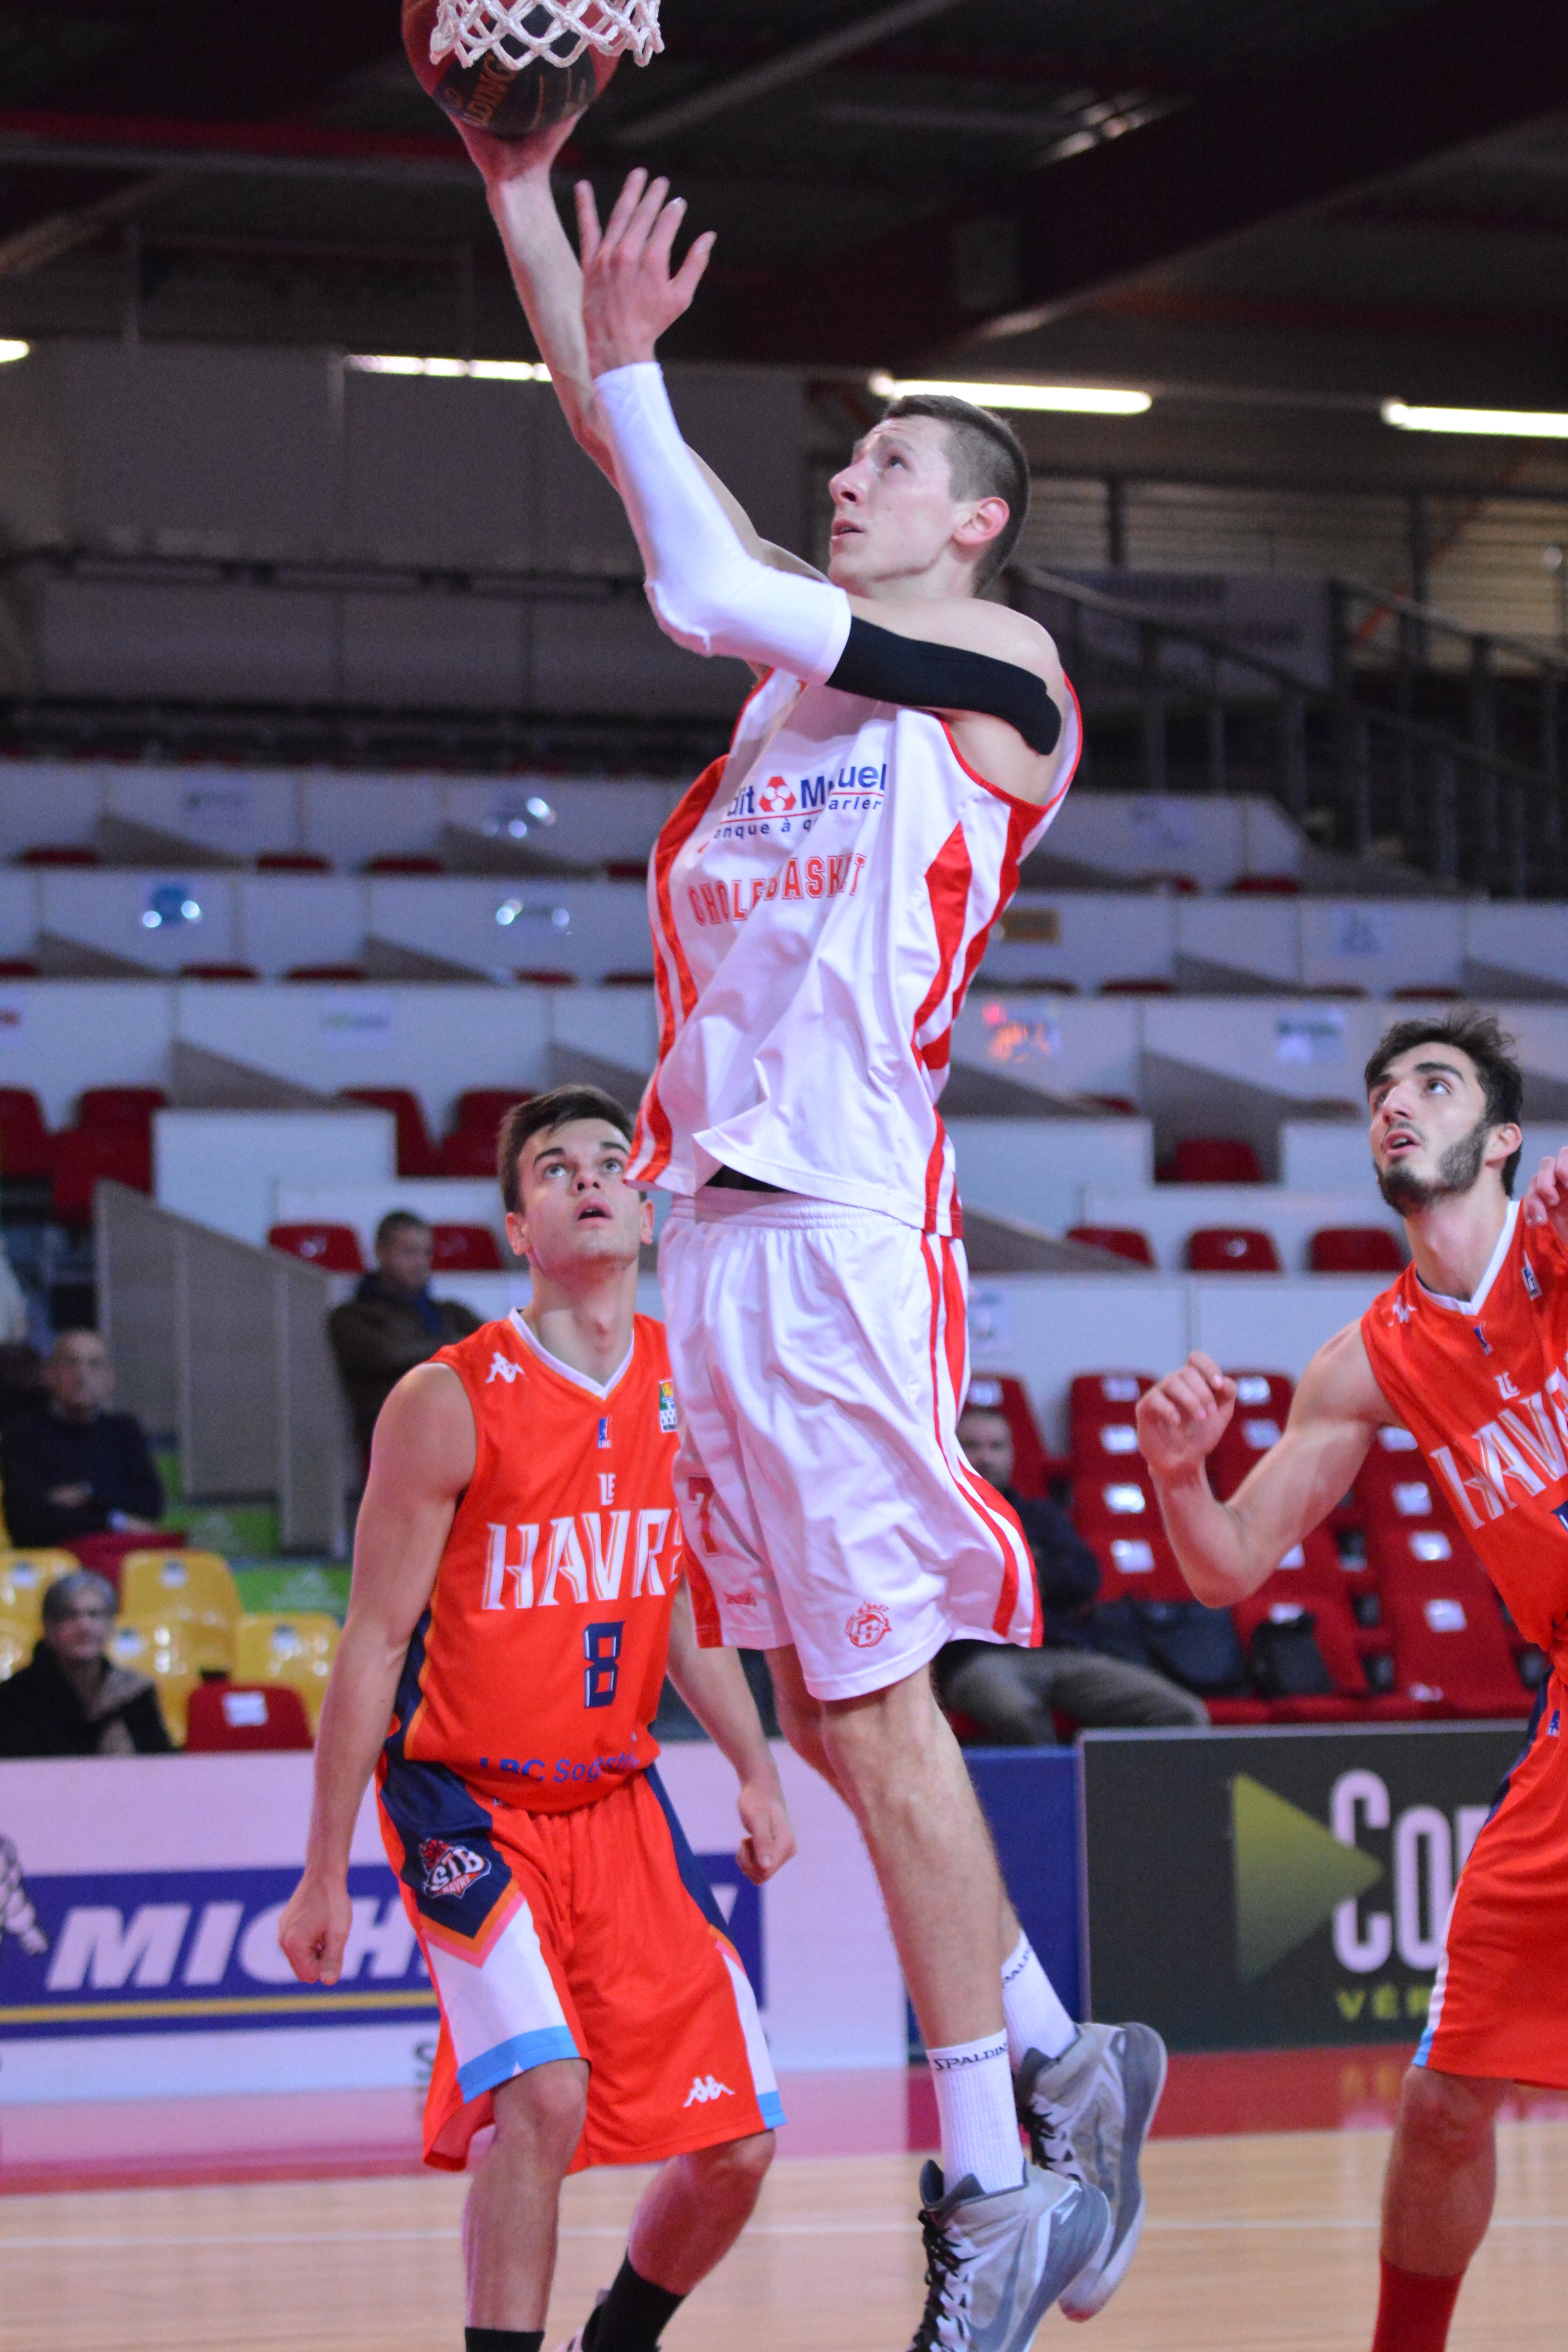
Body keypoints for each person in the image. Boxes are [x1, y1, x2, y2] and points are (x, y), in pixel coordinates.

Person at [453, 117, 1162, 2352]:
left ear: (976, 515)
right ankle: (1058, 2051)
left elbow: (711, 568)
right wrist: (509, 175)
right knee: (845, 1715)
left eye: (884, 458)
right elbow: (625, 457)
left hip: (850, 1220)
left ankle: (982, 2180)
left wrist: (656, 392)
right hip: (719, 1241)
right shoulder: (798, 681)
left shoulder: (1008, 677)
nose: (843, 474)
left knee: (870, 1691)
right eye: (838, 456)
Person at [280, 1084, 794, 2352]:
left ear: (647, 1202)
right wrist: (320, 1869)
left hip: (618, 1799)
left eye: (614, 1160)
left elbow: (680, 1607)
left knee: (737, 2144)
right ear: (520, 1226)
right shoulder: (445, 1399)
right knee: (546, 2099)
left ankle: (617, 2342)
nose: (593, 1178)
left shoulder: (688, 1382)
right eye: (557, 1168)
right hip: (468, 1802)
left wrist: (756, 1764)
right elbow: (372, 1644)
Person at [1135, 1008, 1568, 2352]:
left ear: (1502, 1137)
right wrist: (1174, 1473)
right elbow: (1228, 1568)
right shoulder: (1369, 1358)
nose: (1396, 1105)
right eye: (1381, 1092)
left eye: (1433, 1086)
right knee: (1445, 2100)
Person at [936, 1405, 1208, 1743]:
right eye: (973, 1446)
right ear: (952, 1451)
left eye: (996, 1447)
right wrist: (1034, 1575)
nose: (986, 1457)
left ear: (1011, 1454)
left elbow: (1084, 1577)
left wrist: (1002, 1577)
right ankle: (1052, 1797)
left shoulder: (1040, 1517)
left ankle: (1122, 1798)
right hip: (979, 1659)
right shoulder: (937, 1521)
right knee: (1017, 1715)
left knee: (1183, 1712)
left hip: (1064, 1652)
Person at [327, 1211, 482, 1461]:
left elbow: (497, 1345)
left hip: (455, 1428)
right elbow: (388, 1355)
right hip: (396, 1439)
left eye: (426, 1253)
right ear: (381, 1253)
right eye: (409, 1252)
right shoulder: (351, 1317)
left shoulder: (449, 1312)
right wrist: (457, 1347)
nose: (421, 1262)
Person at [0, 1328, 162, 1547]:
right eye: (71, 1363)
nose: (82, 1375)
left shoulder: (125, 1432)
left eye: (94, 1364)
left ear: (110, 1379)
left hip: (119, 1558)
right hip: (53, 1565)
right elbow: (29, 1519)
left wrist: (89, 1493)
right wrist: (114, 1519)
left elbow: (149, 1504)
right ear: (50, 1374)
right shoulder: (24, 1435)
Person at [0, 1567, 172, 1756]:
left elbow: (161, 1763)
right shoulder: (16, 1697)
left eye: (95, 1614)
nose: (84, 1627)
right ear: (49, 1627)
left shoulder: (135, 1693)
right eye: (70, 1616)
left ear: (111, 1624)